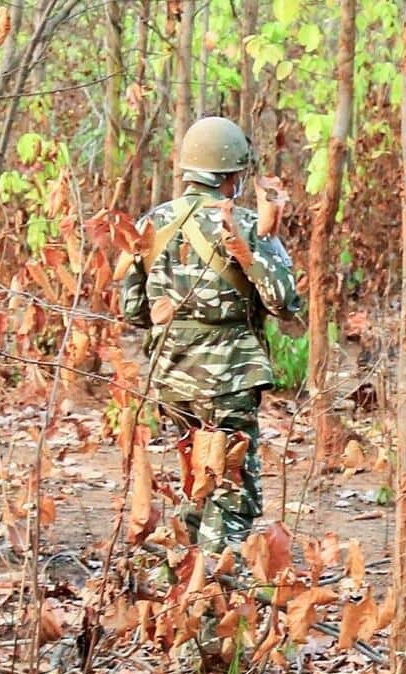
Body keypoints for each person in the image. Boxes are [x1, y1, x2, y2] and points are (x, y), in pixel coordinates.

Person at [118, 116, 302, 554]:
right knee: (232, 489)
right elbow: (284, 303)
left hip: (172, 376)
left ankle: (180, 581)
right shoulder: (244, 225)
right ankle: (215, 599)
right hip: (230, 379)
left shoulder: (150, 224)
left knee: (194, 479)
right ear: (233, 175)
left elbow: (133, 311)